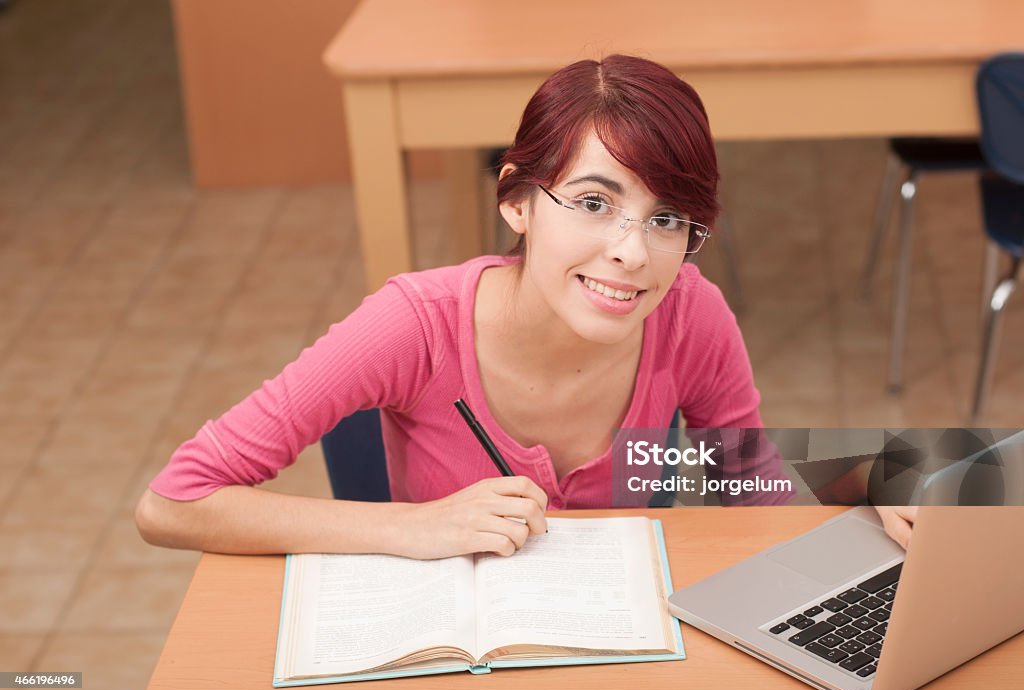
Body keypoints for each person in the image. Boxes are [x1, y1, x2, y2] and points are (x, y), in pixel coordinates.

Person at [135, 54, 915, 559]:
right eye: (592, 202)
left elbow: (746, 477)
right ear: (517, 201)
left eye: (668, 218)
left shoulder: (689, 311)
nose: (632, 253)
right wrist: (416, 527)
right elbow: (173, 501)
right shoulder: (415, 323)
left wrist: (863, 491)